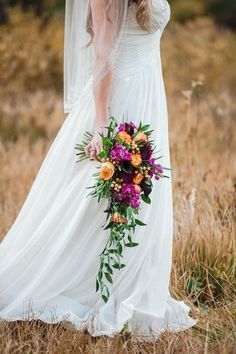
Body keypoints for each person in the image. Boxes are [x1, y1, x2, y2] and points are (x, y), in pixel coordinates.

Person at [0, 0, 196, 339]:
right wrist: (103, 122)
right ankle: (93, 288)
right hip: (121, 100)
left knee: (135, 197)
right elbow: (103, 56)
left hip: (148, 94)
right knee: (94, 198)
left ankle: (132, 289)